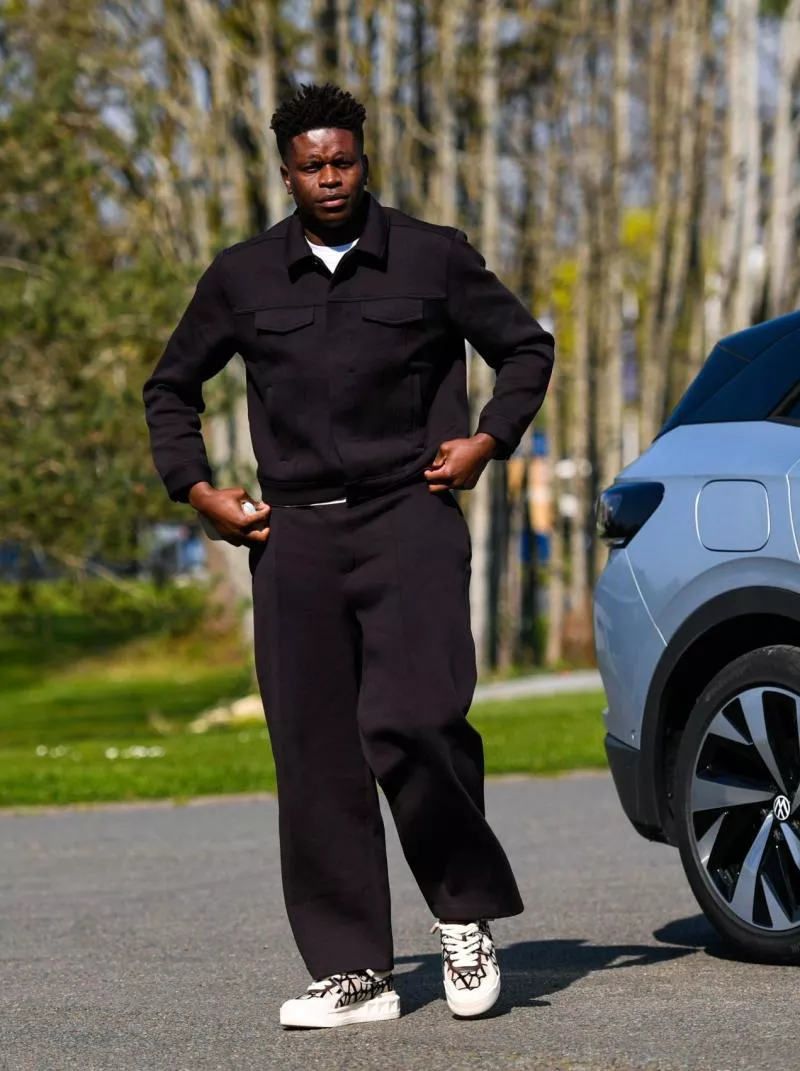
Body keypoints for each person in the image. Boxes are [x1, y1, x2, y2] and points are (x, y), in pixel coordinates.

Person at [142, 82, 555, 1029]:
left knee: (416, 720)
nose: (331, 178)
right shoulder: (241, 277)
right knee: (315, 751)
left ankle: (462, 916)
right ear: (285, 171)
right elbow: (171, 388)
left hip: (408, 517)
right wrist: (199, 493)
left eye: (346, 161)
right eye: (312, 166)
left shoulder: (432, 256)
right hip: (292, 537)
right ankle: (353, 971)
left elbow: (525, 350)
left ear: (365, 158)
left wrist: (488, 439)